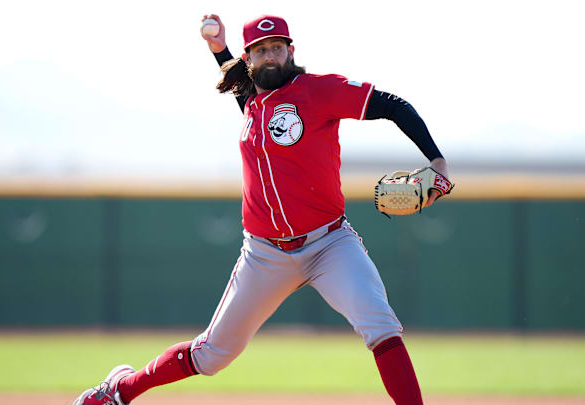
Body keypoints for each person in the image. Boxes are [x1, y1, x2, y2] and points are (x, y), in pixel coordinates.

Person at [73, 13, 451, 405]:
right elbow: (236, 80)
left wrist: (437, 162)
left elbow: (393, 105)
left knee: (381, 325)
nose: (270, 56)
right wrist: (217, 48)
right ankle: (119, 390)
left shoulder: (319, 91)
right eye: (260, 50)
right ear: (249, 59)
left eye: (277, 47)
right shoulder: (252, 100)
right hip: (265, 253)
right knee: (211, 355)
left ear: (291, 51)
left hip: (329, 244)